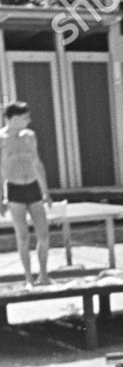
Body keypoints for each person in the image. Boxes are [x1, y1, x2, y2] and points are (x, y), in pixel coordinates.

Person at [0, 101, 52, 285]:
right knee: (22, 237)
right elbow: (1, 170)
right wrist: (1, 197)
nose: (29, 121)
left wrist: (46, 191)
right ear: (12, 119)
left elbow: (37, 163)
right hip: (14, 191)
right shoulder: (2, 139)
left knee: (44, 235)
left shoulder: (29, 136)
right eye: (24, 118)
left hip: (33, 188)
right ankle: (29, 278)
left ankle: (43, 275)